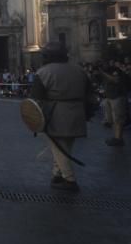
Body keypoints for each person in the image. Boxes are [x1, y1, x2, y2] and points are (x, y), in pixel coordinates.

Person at [30, 42, 95, 192]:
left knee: (58, 147)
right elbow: (89, 93)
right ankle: (57, 174)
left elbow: (35, 98)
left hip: (55, 113)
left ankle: (69, 179)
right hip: (77, 112)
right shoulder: (79, 70)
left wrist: (36, 120)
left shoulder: (44, 72)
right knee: (64, 146)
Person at [98, 62, 131, 147]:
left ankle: (119, 139)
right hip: (109, 97)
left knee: (118, 119)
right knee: (112, 119)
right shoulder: (105, 73)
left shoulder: (115, 71)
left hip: (118, 97)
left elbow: (116, 80)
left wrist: (103, 73)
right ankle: (116, 137)